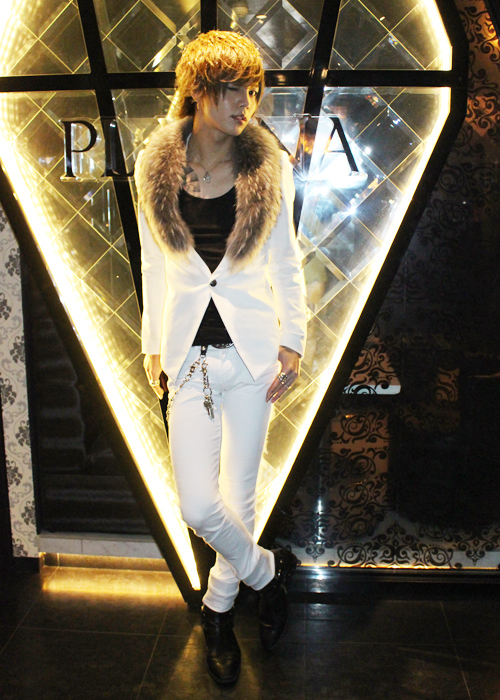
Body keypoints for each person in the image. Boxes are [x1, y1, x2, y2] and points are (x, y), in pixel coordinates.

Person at [135, 30, 307, 685]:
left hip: (253, 355)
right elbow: (154, 263)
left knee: (239, 499)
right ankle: (269, 574)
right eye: (233, 89)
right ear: (199, 89)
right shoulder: (156, 162)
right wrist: (152, 342)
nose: (246, 103)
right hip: (189, 360)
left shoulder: (269, 164)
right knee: (199, 507)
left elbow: (286, 260)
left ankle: (218, 613)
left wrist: (295, 338)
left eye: (252, 91)